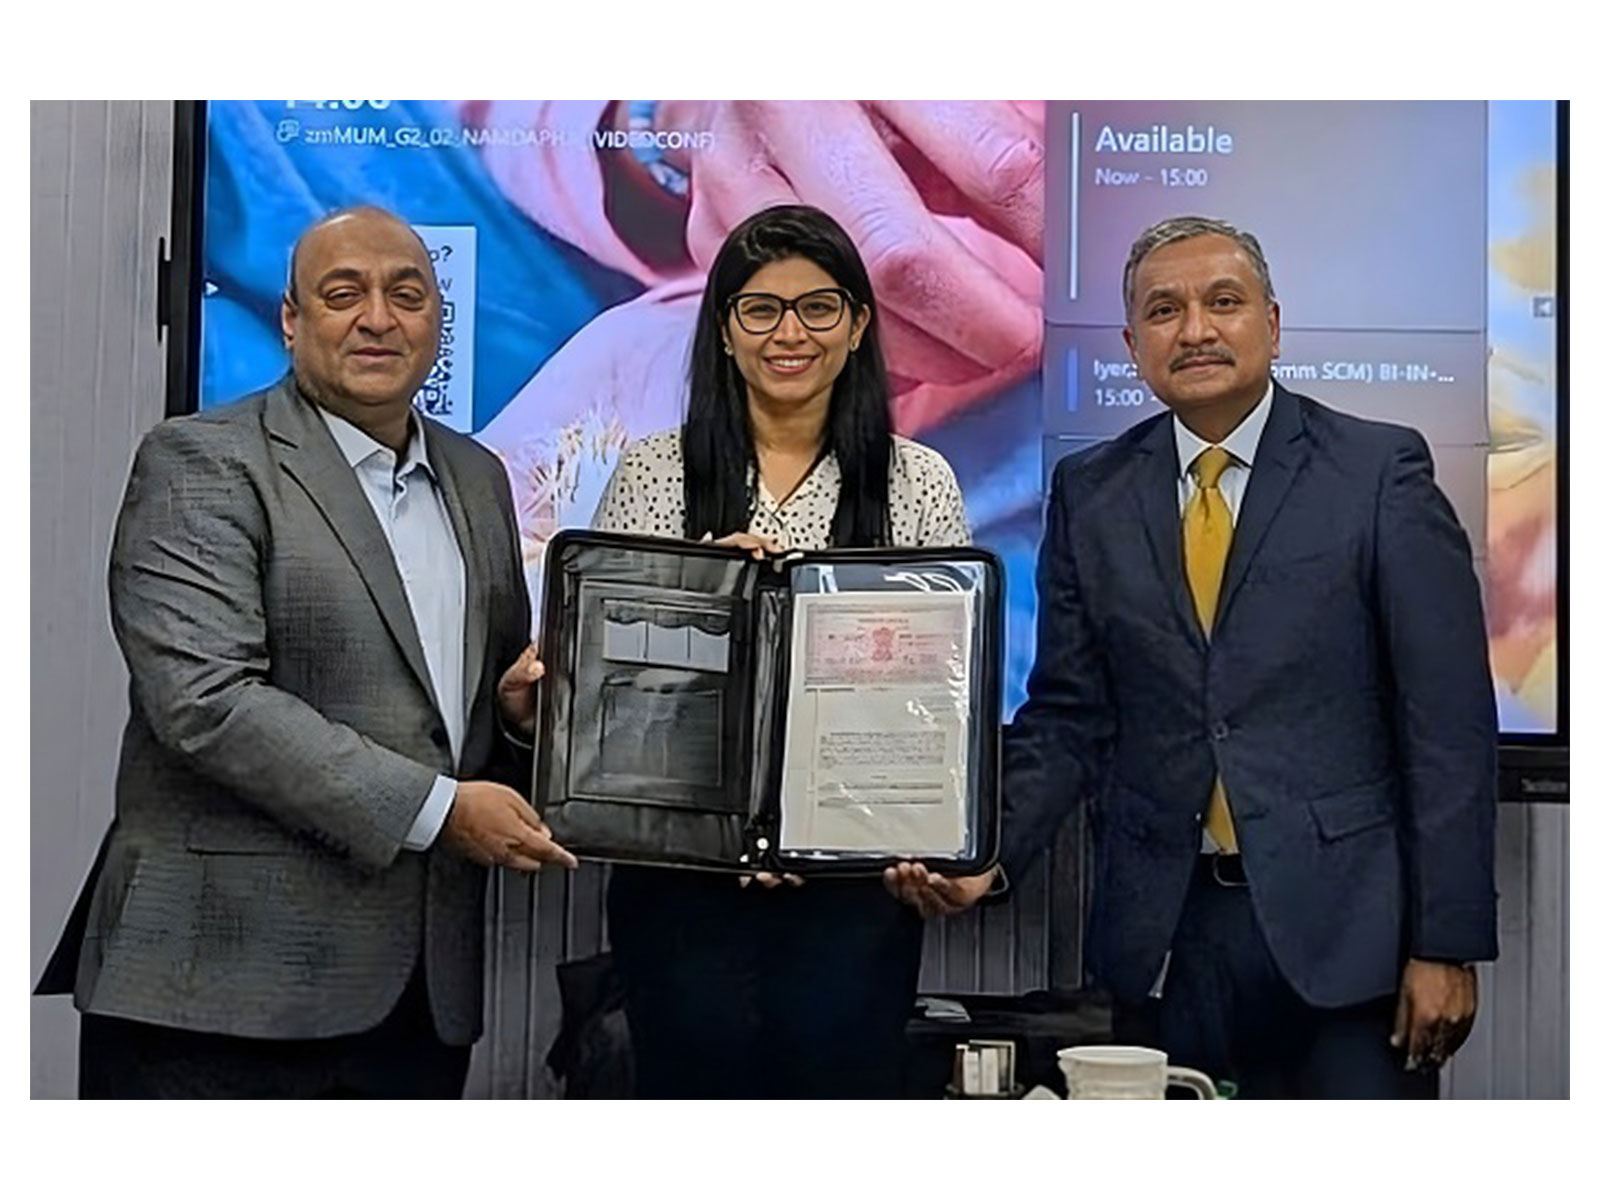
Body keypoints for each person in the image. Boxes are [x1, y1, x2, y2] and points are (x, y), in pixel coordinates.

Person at [888, 215, 1498, 1099]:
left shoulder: (1377, 471)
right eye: (1165, 311)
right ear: (1135, 346)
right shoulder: (1093, 492)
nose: (1197, 329)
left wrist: (1445, 942)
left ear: (1273, 324)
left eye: (1224, 302)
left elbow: (1447, 725)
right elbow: (1069, 715)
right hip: (1168, 939)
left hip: (1352, 941)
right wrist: (990, 852)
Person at [36, 205, 577, 1099]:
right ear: (292, 320)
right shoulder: (203, 461)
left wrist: (514, 718)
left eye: (407, 294)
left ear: (439, 321)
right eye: (342, 294)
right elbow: (205, 703)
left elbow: (469, 703)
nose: (377, 317)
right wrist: (441, 810)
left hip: (416, 998)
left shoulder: (478, 479)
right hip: (218, 991)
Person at [590, 203, 971, 1099]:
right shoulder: (655, 473)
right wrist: (695, 608)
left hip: (853, 895)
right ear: (723, 331)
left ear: (859, 326)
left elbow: (945, 701)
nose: (788, 334)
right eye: (759, 310)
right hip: (681, 887)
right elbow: (609, 699)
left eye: (817, 308)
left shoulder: (918, 483)